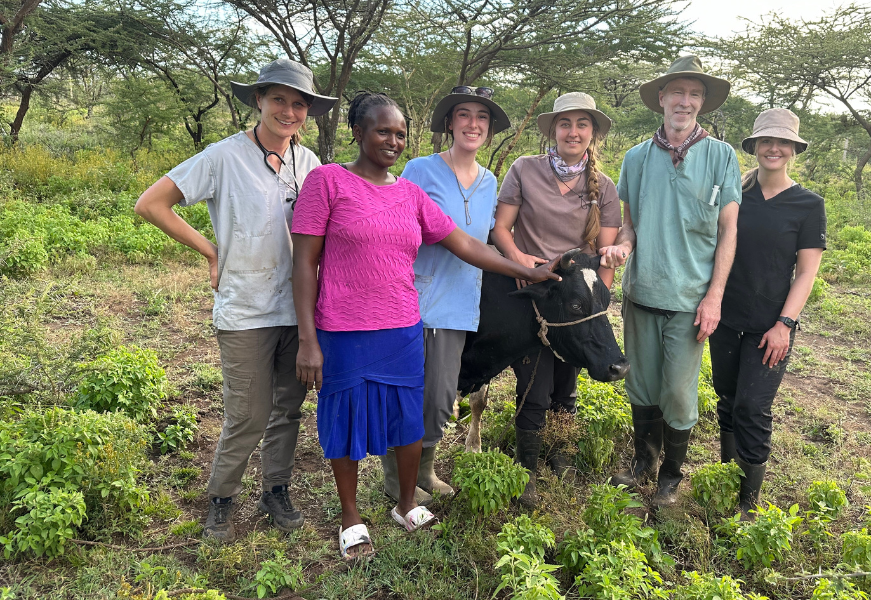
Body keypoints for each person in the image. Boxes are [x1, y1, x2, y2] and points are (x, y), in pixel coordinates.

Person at [290, 92, 559, 560]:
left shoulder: (409, 193)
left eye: (399, 133)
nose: (392, 141)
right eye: (381, 131)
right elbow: (303, 263)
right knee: (345, 418)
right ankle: (351, 515)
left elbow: (462, 244)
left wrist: (524, 269)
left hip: (402, 326)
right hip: (343, 329)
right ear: (357, 132)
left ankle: (406, 503)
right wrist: (308, 339)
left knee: (408, 421)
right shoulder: (326, 182)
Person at [134, 58, 338, 542]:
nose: (288, 111)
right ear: (259, 101)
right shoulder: (221, 157)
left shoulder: (309, 164)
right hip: (244, 308)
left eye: (298, 104)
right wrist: (211, 249)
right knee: (247, 413)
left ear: (307, 112)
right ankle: (222, 500)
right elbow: (150, 203)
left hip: (296, 309)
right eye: (279, 100)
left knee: (288, 408)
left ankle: (276, 489)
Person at [605, 55, 741, 507]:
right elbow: (631, 225)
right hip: (641, 293)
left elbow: (728, 232)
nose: (685, 101)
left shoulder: (722, 157)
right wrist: (623, 247)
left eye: (695, 94)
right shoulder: (636, 158)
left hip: (690, 300)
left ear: (703, 103)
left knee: (679, 393)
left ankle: (670, 476)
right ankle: (643, 462)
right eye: (678, 92)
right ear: (661, 98)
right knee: (641, 386)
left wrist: (714, 297)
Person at [377, 86, 512, 505]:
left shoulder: (490, 181)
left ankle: (425, 469)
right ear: (450, 124)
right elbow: (395, 228)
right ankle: (394, 477)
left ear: (488, 130)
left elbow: (487, 237)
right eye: (465, 115)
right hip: (416, 299)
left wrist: (529, 267)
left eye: (482, 118)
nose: (473, 124)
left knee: (439, 400)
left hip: (460, 305)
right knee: (404, 392)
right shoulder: (420, 169)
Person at [491, 91, 621, 506]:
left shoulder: (605, 187)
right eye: (565, 124)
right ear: (552, 130)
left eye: (582, 124)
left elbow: (605, 253)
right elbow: (501, 229)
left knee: (569, 379)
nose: (573, 132)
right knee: (534, 382)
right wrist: (522, 266)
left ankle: (560, 450)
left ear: (592, 134)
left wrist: (597, 300)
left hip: (576, 299)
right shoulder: (524, 169)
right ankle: (525, 467)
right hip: (532, 293)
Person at [710, 108, 825, 519]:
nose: (774, 148)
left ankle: (747, 503)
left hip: (770, 325)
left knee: (753, 406)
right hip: (725, 317)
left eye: (782, 142)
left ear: (793, 149)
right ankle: (725, 479)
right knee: (726, 398)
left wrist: (785, 324)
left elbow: (807, 271)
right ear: (755, 147)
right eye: (766, 141)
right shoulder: (736, 194)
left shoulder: (807, 204)